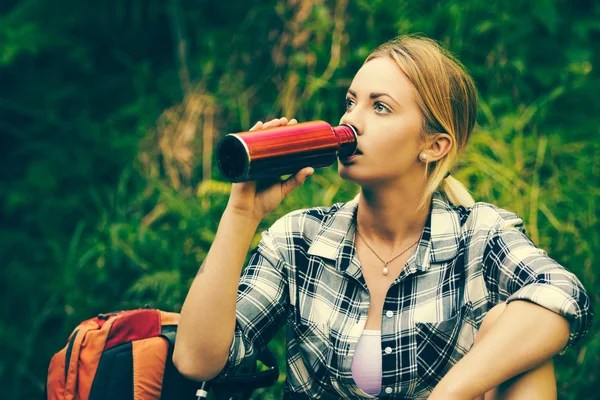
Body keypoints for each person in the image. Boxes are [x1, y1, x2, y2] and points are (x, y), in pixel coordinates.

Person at [173, 35, 593, 399]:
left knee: (516, 324)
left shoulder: (479, 235)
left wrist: (452, 390)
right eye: (352, 102)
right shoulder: (299, 238)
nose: (350, 120)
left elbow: (562, 295)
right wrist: (242, 211)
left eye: (380, 108)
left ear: (434, 146)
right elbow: (196, 360)